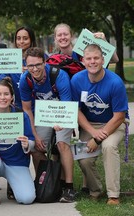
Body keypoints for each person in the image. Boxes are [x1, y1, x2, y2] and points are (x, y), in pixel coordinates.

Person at [70, 44, 128, 205]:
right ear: (83, 61)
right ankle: (95, 190)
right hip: (90, 124)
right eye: (89, 58)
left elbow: (119, 116)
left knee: (109, 147)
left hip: (114, 123)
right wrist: (92, 132)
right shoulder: (77, 80)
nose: (93, 61)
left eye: (96, 58)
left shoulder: (115, 82)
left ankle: (113, 195)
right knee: (84, 157)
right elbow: (77, 110)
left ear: (103, 60)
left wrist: (97, 138)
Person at [19, 47, 75, 203]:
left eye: (38, 64)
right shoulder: (25, 79)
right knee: (37, 148)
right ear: (26, 65)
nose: (34, 69)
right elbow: (27, 109)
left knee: (62, 144)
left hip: (63, 112)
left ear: (44, 62)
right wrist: (35, 136)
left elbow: (66, 104)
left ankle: (68, 187)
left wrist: (60, 122)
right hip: (43, 115)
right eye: (30, 66)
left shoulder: (58, 75)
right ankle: (45, 183)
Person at [53, 23, 119, 63]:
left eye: (65, 34)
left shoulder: (82, 51)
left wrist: (104, 42)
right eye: (59, 35)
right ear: (55, 38)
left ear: (72, 36)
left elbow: (115, 60)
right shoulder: (54, 60)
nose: (63, 37)